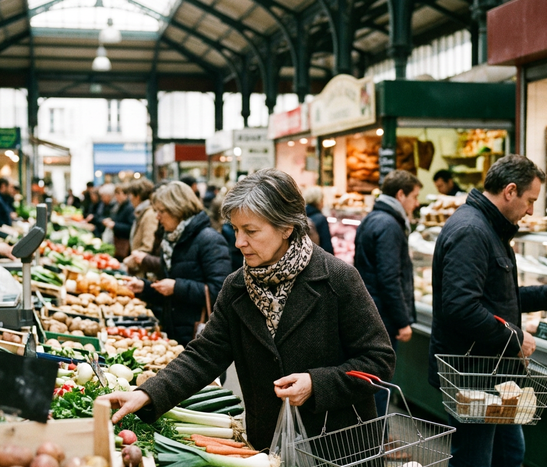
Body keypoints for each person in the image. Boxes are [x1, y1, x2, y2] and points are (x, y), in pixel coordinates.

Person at [102, 169, 395, 452]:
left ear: (286, 228)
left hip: (338, 446)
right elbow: (205, 355)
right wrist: (147, 393)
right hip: (269, 445)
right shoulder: (237, 287)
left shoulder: (337, 278)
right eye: (236, 230)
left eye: (250, 231)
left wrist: (317, 384)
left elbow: (378, 360)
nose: (239, 242)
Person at [427, 155, 547, 467]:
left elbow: (493, 299)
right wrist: (516, 337)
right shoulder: (472, 231)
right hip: (474, 376)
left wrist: (543, 295)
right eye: (530, 201)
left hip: (495, 373)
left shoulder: (489, 228)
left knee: (509, 457)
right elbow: (461, 308)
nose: (531, 211)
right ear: (510, 191)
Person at [126, 181, 231, 345]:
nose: (157, 216)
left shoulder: (209, 240)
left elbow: (221, 292)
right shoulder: (171, 240)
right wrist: (145, 288)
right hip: (175, 332)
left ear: (178, 209)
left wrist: (176, 287)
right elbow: (170, 292)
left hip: (198, 336)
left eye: (161, 211)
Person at [354, 169, 420, 418]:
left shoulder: (373, 218)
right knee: (380, 381)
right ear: (401, 194)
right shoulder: (390, 225)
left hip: (372, 309)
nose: (417, 203)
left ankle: (376, 438)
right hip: (383, 314)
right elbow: (389, 278)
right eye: (414, 196)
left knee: (374, 380)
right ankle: (377, 445)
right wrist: (402, 321)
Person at [123, 179, 159, 276]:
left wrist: (133, 260)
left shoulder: (149, 215)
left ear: (137, 196)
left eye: (131, 195)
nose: (129, 198)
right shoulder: (142, 212)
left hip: (142, 272)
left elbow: (148, 245)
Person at [102, 184, 135, 260]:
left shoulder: (129, 208)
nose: (117, 196)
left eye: (119, 194)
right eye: (116, 194)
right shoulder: (118, 206)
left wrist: (114, 225)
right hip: (117, 241)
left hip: (124, 243)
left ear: (126, 194)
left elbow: (130, 227)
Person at [302, 187, 334, 255]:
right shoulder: (321, 219)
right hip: (317, 259)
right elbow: (327, 247)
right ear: (318, 201)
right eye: (322, 200)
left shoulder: (300, 216)